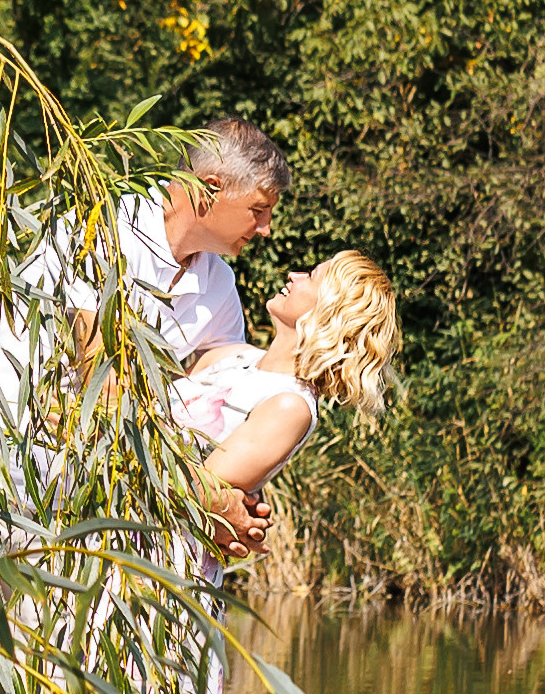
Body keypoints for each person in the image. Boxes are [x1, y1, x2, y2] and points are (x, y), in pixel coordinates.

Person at [0, 117, 291, 560]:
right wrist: (207, 499)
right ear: (211, 188)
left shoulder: (219, 286)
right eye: (258, 209)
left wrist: (235, 506)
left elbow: (214, 413)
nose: (266, 228)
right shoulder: (101, 231)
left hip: (84, 507)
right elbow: (104, 390)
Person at [170, 250, 402, 588]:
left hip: (163, 564)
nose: (294, 274)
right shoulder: (230, 357)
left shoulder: (290, 406)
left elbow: (193, 490)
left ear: (331, 311)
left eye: (312, 275)